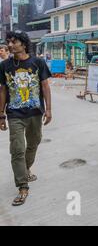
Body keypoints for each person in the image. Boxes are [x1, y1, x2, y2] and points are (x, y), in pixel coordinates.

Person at [0, 31, 52, 206]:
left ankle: (26, 168)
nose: (10, 45)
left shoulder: (38, 62)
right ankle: (23, 187)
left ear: (23, 43)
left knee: (34, 143)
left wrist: (49, 109)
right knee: (17, 150)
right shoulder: (5, 65)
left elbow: (45, 86)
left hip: (35, 113)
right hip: (14, 114)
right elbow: (3, 90)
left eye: (13, 42)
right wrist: (1, 114)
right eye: (9, 42)